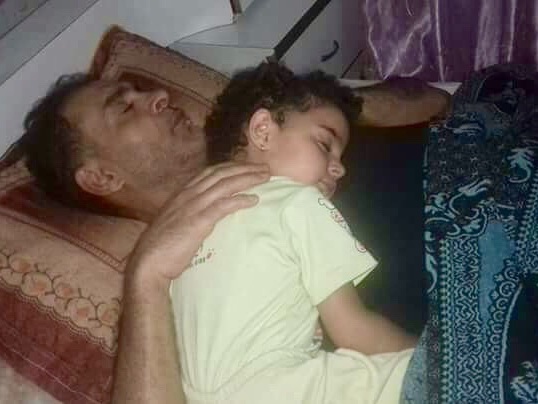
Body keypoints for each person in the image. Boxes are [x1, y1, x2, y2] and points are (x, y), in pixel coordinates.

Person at [20, 70, 447, 403]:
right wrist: (146, 276)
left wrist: (325, 111)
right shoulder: (162, 290)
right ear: (102, 177)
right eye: (125, 108)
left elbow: (434, 98)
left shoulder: (286, 139)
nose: (161, 95)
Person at [168, 62, 416, 404]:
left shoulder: (188, 223)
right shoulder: (298, 200)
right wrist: (435, 356)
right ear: (263, 131)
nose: (340, 169)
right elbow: (353, 329)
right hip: (285, 387)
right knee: (444, 370)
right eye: (325, 144)